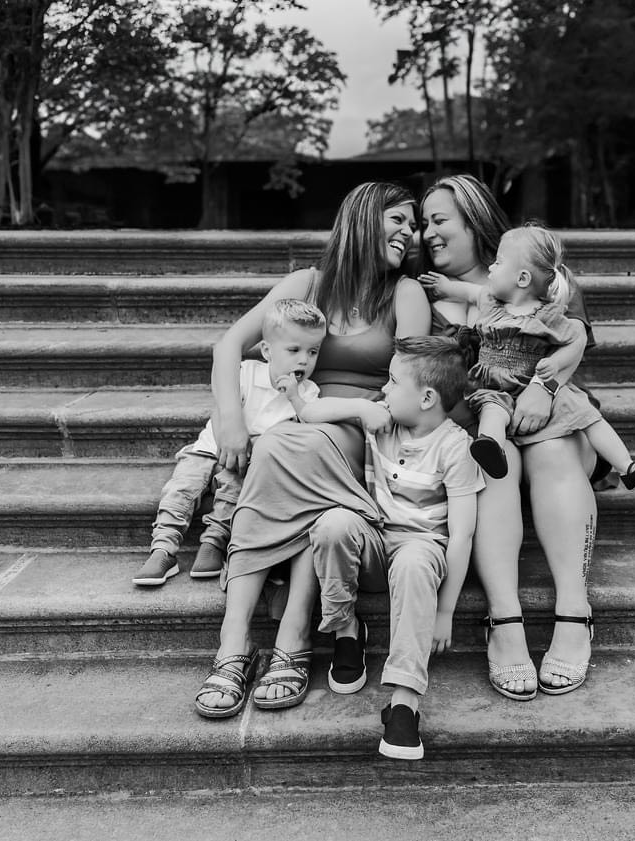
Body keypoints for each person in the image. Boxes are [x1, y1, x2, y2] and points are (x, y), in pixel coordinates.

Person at [193, 181, 431, 719]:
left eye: (413, 225)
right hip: (294, 425)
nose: (409, 234)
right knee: (283, 445)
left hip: (359, 430)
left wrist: (345, 412)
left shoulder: (406, 295)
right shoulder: (308, 283)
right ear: (364, 218)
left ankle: (249, 645)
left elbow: (411, 387)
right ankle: (279, 646)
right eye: (398, 220)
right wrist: (231, 421)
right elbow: (230, 343)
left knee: (286, 448)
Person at [420, 174, 607, 700]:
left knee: (549, 451)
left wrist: (543, 388)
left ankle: (574, 609)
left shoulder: (545, 282)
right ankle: (505, 620)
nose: (427, 234)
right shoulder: (427, 297)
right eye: (422, 224)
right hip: (481, 427)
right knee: (492, 459)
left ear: (474, 223)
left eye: (439, 221)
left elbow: (573, 345)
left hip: (555, 424)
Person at [284, 336, 481, 760]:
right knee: (333, 524)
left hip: (421, 549)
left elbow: (462, 535)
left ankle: (404, 703)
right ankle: (345, 631)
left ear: (427, 397)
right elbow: (308, 413)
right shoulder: (382, 418)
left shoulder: (455, 447)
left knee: (413, 561)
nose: (385, 389)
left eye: (392, 381)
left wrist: (445, 612)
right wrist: (359, 408)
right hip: (374, 539)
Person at [420, 223, 635, 487]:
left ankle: (627, 466)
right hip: (494, 384)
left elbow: (574, 340)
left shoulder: (549, 315)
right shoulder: (489, 302)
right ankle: (491, 449)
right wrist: (445, 287)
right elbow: (468, 291)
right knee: (492, 410)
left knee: (585, 413)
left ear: (522, 279)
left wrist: (554, 364)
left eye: (498, 263)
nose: (490, 268)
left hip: (535, 382)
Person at [132, 299, 326, 587]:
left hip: (245, 464)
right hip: (208, 448)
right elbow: (223, 408)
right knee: (182, 487)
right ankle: (163, 549)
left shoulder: (309, 393)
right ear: (267, 351)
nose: (304, 360)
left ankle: (213, 542)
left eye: (313, 352)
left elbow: (301, 430)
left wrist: (294, 397)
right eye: (294, 350)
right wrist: (228, 437)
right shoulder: (246, 372)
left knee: (235, 491)